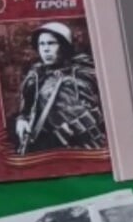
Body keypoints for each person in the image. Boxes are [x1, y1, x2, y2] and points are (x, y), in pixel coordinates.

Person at [14, 21, 107, 154]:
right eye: (41, 44)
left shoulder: (84, 73)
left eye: (51, 43)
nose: (45, 49)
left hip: (85, 146)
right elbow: (27, 109)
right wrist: (22, 120)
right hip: (47, 147)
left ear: (64, 46)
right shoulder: (35, 77)